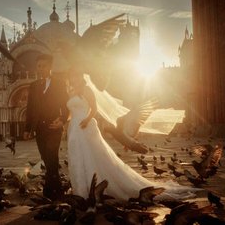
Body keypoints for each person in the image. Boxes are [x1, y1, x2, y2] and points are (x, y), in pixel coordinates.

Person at [66, 67, 200, 202]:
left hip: (86, 126)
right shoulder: (71, 91)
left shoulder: (87, 90)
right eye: (71, 76)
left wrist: (87, 120)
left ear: (81, 77)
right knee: (77, 157)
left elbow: (94, 109)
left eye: (76, 75)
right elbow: (71, 112)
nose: (74, 78)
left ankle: (92, 189)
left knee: (91, 156)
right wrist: (62, 122)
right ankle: (80, 189)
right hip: (73, 128)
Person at [24, 54, 69, 200]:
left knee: (51, 155)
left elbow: (66, 105)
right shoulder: (34, 85)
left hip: (54, 127)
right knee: (46, 158)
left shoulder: (60, 83)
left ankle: (51, 191)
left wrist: (62, 120)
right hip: (39, 128)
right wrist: (27, 129)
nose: (40, 69)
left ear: (50, 66)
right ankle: (56, 188)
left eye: (43, 66)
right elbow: (30, 108)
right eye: (38, 66)